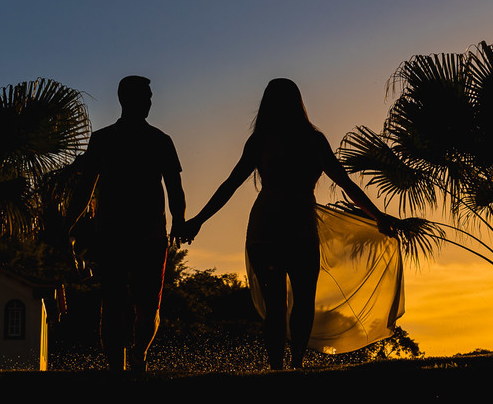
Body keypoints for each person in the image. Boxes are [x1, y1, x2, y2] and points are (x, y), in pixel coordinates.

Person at [174, 78, 396, 370]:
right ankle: (293, 365)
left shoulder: (266, 141)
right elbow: (346, 185)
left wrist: (198, 221)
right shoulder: (310, 140)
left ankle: (281, 366)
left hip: (269, 228)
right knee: (300, 303)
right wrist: (378, 216)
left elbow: (230, 185)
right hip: (292, 229)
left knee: (278, 305)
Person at [70, 75, 185, 372]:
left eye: (149, 98)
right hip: (111, 234)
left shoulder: (161, 141)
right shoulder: (103, 140)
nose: (148, 103)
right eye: (144, 97)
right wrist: (68, 224)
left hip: (151, 235)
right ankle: (115, 369)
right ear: (126, 100)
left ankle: (138, 356)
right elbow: (85, 188)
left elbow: (175, 188)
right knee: (112, 304)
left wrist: (179, 222)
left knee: (148, 307)